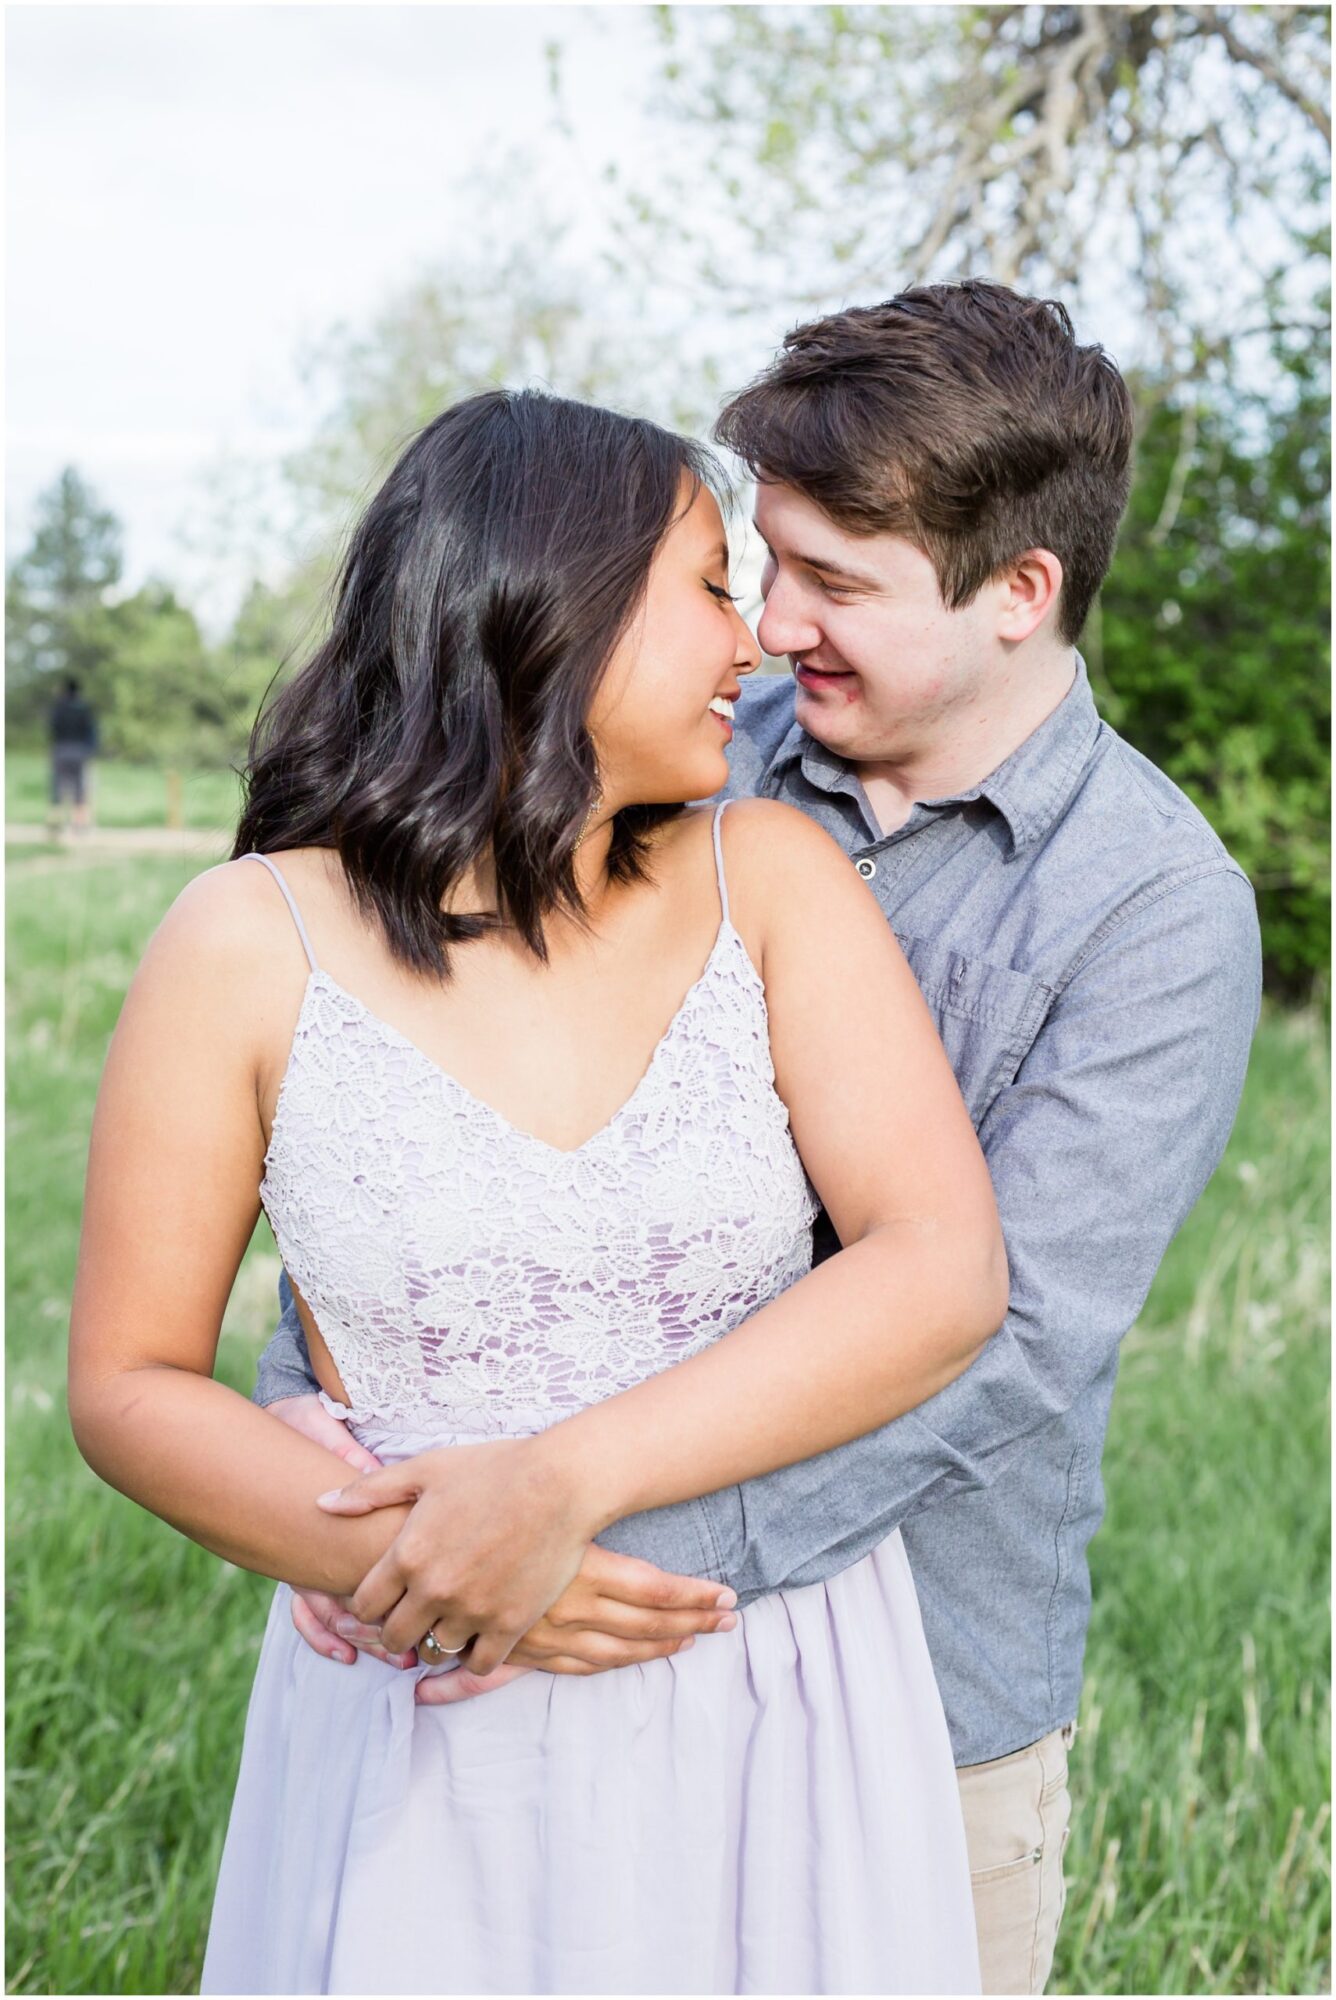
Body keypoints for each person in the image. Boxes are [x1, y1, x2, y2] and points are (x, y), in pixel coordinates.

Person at [258, 282, 1263, 1995]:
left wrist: (573, 1554)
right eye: (760, 562)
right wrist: (334, 1438)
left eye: (835, 584)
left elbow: (1003, 1341)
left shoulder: (1154, 913)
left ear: (1020, 594)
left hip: (918, 1681)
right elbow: (427, 1076)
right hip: (508, 1647)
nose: (772, 622)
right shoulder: (679, 756)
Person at [68, 389, 1009, 1995]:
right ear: (551, 604)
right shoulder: (239, 943)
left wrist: (555, 1491)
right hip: (433, 1709)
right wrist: (396, 1559)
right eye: (711, 586)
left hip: (770, 1680)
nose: (756, 642)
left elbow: (937, 1270)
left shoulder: (771, 881)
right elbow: (128, 1382)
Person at [48, 674, 98, 835]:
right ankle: (79, 825)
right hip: (79, 750)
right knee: (79, 788)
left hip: (61, 749)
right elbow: (92, 732)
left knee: (57, 786)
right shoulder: (84, 708)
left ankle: (55, 822)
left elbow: (52, 728)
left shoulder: (58, 707)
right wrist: (90, 749)